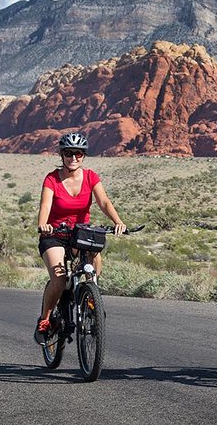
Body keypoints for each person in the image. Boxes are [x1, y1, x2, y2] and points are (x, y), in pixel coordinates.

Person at [36, 131, 126, 336]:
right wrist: (43, 224)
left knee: (94, 259)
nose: (74, 158)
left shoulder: (91, 177)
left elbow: (104, 202)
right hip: (54, 234)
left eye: (78, 153)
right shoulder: (52, 179)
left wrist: (118, 222)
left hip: (80, 234)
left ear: (84, 155)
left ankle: (91, 297)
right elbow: (45, 205)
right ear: (62, 155)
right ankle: (45, 318)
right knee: (59, 279)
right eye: (69, 153)